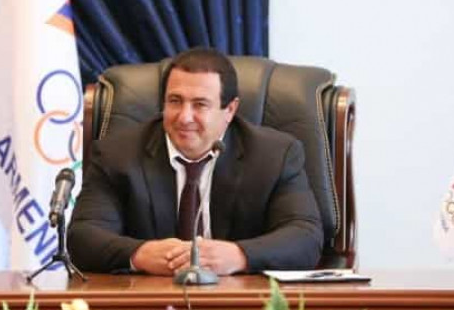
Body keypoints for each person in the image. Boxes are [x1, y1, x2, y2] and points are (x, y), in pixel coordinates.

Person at [68, 48, 322, 275]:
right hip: (148, 298)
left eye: (200, 104)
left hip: (241, 299)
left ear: (230, 110)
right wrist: (139, 254)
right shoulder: (116, 155)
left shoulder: (275, 155)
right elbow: (83, 236)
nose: (184, 117)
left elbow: (305, 237)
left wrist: (240, 255)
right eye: (175, 101)